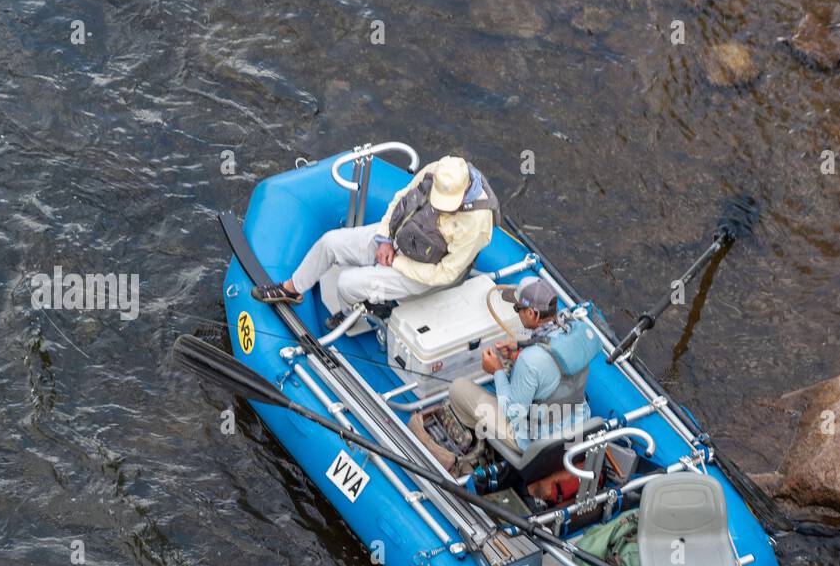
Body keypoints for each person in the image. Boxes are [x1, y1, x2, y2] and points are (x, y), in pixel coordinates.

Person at [250, 155, 498, 314]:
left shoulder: (476, 223)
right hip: (398, 237)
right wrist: (384, 239)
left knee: (347, 284)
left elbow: (445, 273)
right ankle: (293, 288)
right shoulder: (439, 171)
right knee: (330, 242)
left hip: (424, 270)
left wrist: (397, 262)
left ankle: (353, 315)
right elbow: (402, 198)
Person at [448, 277, 597, 453]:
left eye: (518, 308)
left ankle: (480, 441)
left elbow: (513, 413)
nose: (517, 312)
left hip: (541, 444)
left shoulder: (530, 360)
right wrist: (520, 347)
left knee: (458, 388)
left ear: (533, 314)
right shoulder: (575, 331)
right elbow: (549, 347)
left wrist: (497, 371)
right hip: (578, 429)